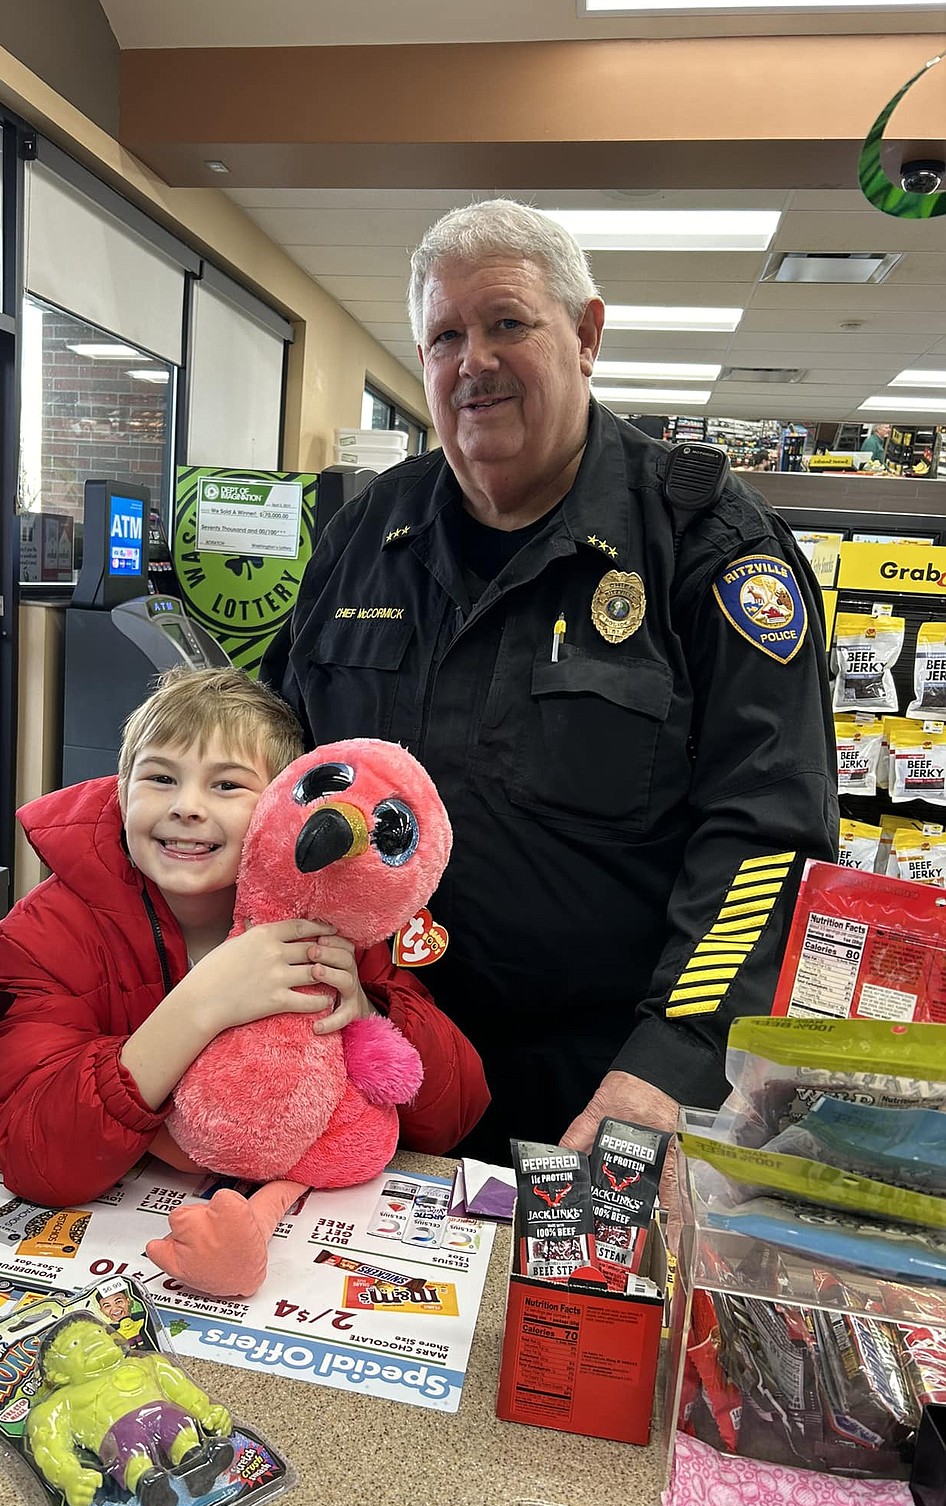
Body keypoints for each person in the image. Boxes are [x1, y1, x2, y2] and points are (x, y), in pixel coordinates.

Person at [262, 199, 837, 1168]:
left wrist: (671, 1059)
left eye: (507, 323)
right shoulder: (370, 534)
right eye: (445, 335)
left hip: (596, 1084)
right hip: (364, 1044)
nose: (473, 360)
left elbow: (767, 834)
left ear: (586, 335)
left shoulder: (705, 540)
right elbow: (282, 759)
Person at [0, 667, 489, 1207]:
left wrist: (366, 1013)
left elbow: (453, 1118)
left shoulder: (331, 921)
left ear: (280, 807)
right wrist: (200, 1006)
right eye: (160, 778)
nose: (187, 806)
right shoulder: (41, 936)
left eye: (227, 785)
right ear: (122, 793)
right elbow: (38, 1159)